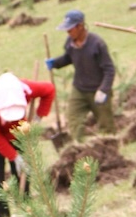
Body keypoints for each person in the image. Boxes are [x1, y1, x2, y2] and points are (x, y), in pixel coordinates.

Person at [0, 71, 55, 217]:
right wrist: (14, 156)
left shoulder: (26, 89)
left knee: (22, 177)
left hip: (19, 135)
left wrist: (39, 116)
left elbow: (49, 90)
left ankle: (26, 215)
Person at [45, 10, 116, 140]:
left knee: (106, 126)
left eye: (70, 29)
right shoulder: (70, 42)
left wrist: (104, 90)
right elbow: (69, 58)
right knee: (73, 119)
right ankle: (81, 149)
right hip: (79, 89)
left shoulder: (97, 44)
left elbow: (109, 69)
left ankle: (109, 152)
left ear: (81, 26)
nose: (68, 32)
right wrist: (55, 63)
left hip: (98, 90)